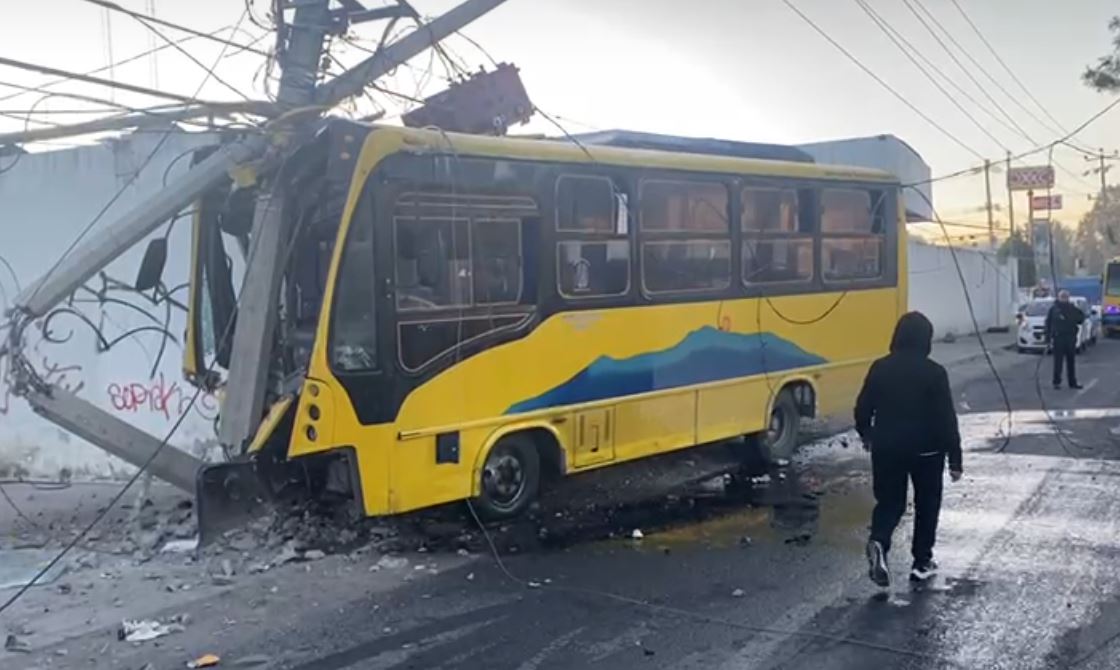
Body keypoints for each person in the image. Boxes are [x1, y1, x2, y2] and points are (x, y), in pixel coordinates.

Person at [854, 311, 962, 587]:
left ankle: (879, 541)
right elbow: (946, 417)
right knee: (927, 504)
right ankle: (921, 562)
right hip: (926, 451)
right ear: (926, 339)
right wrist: (955, 458)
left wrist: (867, 433)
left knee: (890, 502)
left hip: (887, 447)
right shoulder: (935, 372)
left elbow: (862, 407)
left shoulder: (880, 367)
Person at [1045, 290, 1084, 390]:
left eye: (1065, 297)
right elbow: (1048, 324)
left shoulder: (1072, 308)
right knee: (1058, 362)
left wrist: (1074, 314)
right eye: (1062, 297)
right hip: (1058, 338)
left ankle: (1072, 382)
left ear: (1068, 298)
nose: (1064, 298)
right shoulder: (1054, 309)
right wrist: (1048, 339)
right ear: (1058, 297)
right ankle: (1056, 382)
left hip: (1070, 338)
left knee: (1071, 361)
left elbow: (1081, 319)